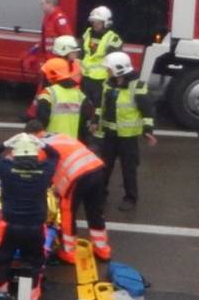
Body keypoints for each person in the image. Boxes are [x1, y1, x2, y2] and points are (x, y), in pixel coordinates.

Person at [0, 133, 59, 300]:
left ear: (15, 154)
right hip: (35, 228)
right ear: (35, 154)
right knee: (34, 263)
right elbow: (55, 156)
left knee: (1, 260)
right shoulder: (44, 172)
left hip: (10, 227)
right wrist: (42, 144)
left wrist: (5, 143)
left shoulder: (7, 171)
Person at [91, 52, 156, 212]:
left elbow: (147, 110)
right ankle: (100, 194)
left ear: (118, 70)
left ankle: (130, 198)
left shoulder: (138, 87)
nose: (107, 72)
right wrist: (94, 121)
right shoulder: (108, 84)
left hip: (127, 136)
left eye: (109, 69)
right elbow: (100, 105)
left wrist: (148, 130)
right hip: (108, 134)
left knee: (129, 168)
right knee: (104, 166)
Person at [41, 124, 108, 264]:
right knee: (95, 211)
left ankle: (68, 252)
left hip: (77, 176)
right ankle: (102, 249)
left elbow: (37, 171)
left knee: (68, 213)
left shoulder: (39, 146)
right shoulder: (59, 135)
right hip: (96, 168)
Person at [24, 35, 81, 121]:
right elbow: (66, 83)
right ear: (64, 51)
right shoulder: (55, 63)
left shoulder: (74, 64)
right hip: (55, 107)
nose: (76, 54)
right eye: (73, 51)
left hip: (69, 107)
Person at [33, 59, 87, 138]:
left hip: (51, 142)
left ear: (52, 73)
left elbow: (42, 119)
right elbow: (86, 116)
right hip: (72, 142)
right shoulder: (78, 93)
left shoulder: (48, 93)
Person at [80, 6, 122, 105]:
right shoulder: (87, 33)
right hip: (84, 76)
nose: (95, 24)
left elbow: (114, 61)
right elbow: (80, 53)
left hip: (101, 80)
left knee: (98, 106)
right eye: (93, 21)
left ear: (106, 23)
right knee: (83, 104)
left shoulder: (113, 39)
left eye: (98, 22)